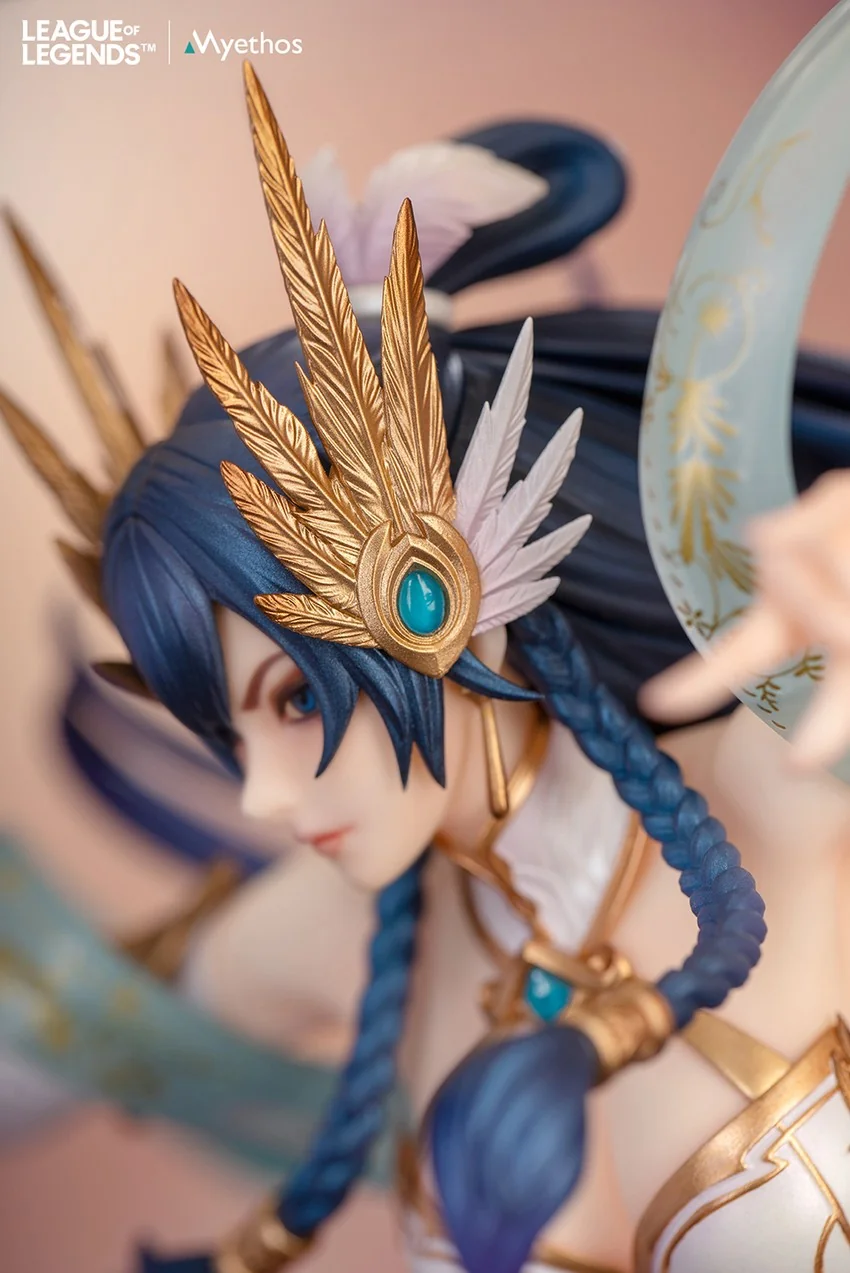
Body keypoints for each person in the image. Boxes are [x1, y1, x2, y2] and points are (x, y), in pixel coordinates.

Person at [4, 58, 850, 1273]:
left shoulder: (765, 789)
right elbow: (55, 1041)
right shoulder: (344, 926)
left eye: (297, 700)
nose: (263, 795)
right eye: (231, 734)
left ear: (444, 592)